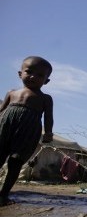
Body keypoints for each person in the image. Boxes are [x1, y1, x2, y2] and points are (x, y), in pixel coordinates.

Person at [0, 56, 54, 206]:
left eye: (40, 75)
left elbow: (48, 118)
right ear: (20, 73)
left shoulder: (45, 99)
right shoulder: (11, 93)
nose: (33, 76)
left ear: (46, 81)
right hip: (5, 129)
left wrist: (48, 133)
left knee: (15, 162)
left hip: (27, 133)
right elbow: (1, 110)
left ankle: (3, 195)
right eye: (29, 71)